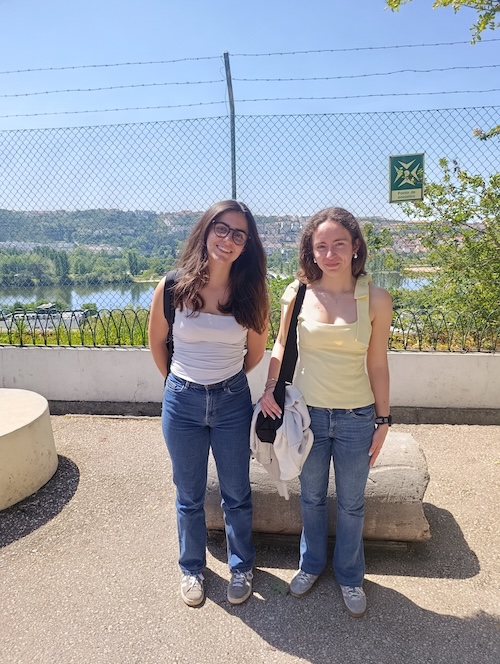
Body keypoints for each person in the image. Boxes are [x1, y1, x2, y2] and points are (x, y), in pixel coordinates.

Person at [259, 207, 392, 618]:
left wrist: (383, 420)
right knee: (312, 497)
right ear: (310, 250)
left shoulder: (376, 299)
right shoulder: (296, 293)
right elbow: (281, 344)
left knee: (352, 502)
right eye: (321, 246)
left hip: (357, 417)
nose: (330, 254)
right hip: (307, 416)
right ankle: (311, 564)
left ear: (355, 247)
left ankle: (350, 576)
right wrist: (270, 388)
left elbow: (378, 364)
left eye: (339, 244)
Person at [148, 200, 269, 607]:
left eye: (239, 234)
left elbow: (255, 353)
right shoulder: (173, 287)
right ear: (206, 229)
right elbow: (157, 343)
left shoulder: (251, 293)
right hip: (181, 401)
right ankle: (191, 569)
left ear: (246, 245)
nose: (228, 239)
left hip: (232, 402)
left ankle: (241, 567)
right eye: (222, 228)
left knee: (237, 492)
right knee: (189, 493)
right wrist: (181, 383)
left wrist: (222, 379)